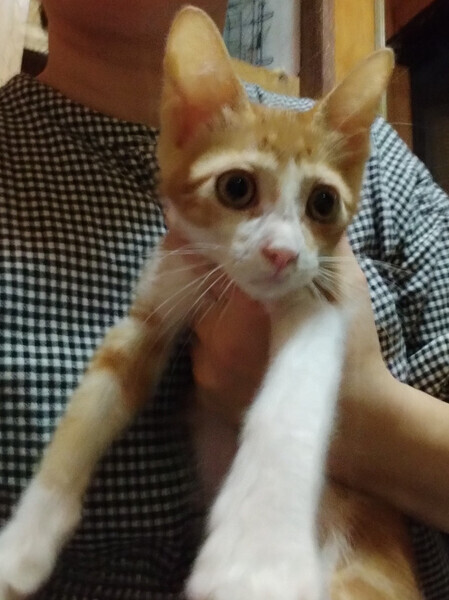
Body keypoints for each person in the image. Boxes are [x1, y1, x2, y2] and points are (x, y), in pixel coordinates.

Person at [0, 1, 448, 598]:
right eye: (238, 188)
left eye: (320, 204)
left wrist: (371, 417)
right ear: (186, 124)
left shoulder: (386, 176)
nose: (283, 249)